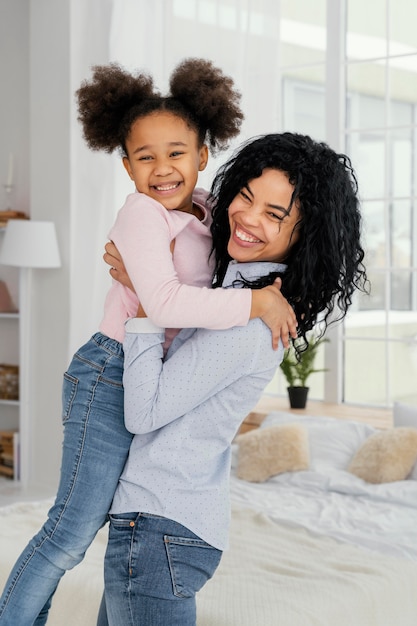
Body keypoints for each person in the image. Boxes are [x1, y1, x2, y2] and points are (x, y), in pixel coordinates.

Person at [0, 60, 296, 626]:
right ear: (126, 165)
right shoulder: (141, 215)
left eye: (177, 152)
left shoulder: (213, 211)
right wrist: (256, 303)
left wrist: (274, 296)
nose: (163, 169)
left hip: (148, 369)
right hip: (110, 371)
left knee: (90, 528)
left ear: (203, 155)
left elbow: (231, 269)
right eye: (145, 157)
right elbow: (162, 305)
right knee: (71, 530)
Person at [100, 132, 369, 625]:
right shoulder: (234, 294)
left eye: (275, 214)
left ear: (302, 235)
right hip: (163, 525)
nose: (247, 218)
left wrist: (144, 300)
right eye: (246, 197)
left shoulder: (251, 319)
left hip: (161, 523)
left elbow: (144, 412)